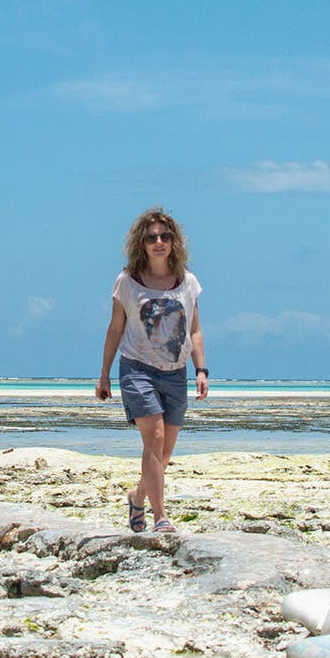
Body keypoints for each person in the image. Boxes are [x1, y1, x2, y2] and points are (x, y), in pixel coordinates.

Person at [95, 207, 207, 533]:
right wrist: (104, 375)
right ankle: (161, 518)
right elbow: (115, 329)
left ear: (174, 241)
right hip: (137, 369)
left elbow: (195, 330)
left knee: (165, 452)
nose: (159, 242)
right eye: (151, 237)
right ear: (141, 243)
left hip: (176, 372)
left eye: (165, 236)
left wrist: (202, 371)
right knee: (154, 439)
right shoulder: (127, 282)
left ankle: (138, 496)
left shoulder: (188, 282)